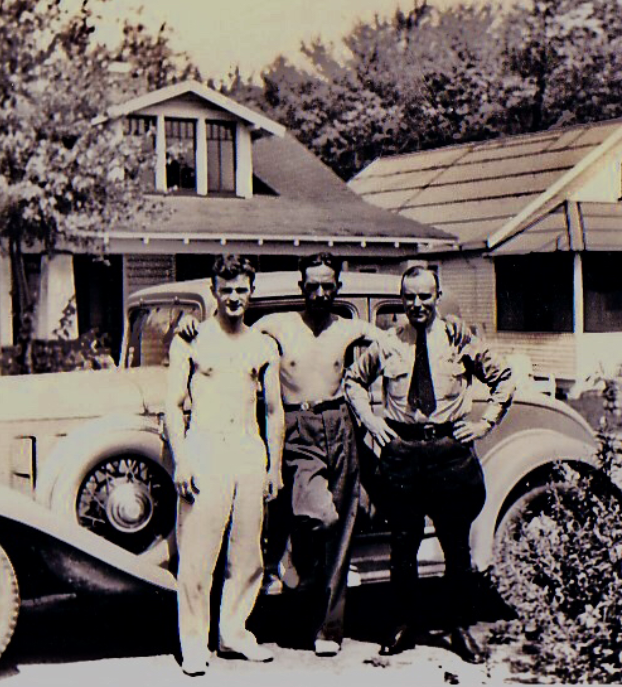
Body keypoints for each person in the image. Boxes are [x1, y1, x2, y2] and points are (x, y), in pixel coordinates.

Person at [176, 253, 469, 657]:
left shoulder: (351, 327)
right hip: (299, 426)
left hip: (340, 425)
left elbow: (400, 335)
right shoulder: (273, 327)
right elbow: (231, 327)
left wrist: (442, 329)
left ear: (337, 288)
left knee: (343, 529)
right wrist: (187, 324)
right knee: (317, 513)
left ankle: (328, 629)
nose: (318, 293)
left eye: (327, 285)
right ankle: (295, 564)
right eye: (311, 285)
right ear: (301, 288)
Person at [343, 266, 515, 664]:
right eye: (410, 297)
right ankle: (405, 624)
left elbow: (503, 379)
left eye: (425, 297)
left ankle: (459, 628)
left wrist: (485, 422)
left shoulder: (459, 341)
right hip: (403, 452)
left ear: (436, 297)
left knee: (456, 545)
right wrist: (371, 421)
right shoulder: (386, 343)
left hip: (448, 452)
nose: (417, 305)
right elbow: (354, 381)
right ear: (402, 300)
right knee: (403, 544)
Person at [165, 254, 285, 677]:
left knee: (248, 553)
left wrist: (274, 467)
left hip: (248, 451)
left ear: (251, 291)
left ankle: (234, 632)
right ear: (213, 290)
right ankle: (194, 644)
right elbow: (173, 405)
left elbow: (273, 410)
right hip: (206, 450)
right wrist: (182, 460)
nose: (234, 297)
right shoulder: (191, 339)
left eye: (241, 289)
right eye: (226, 289)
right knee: (197, 556)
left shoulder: (262, 344)